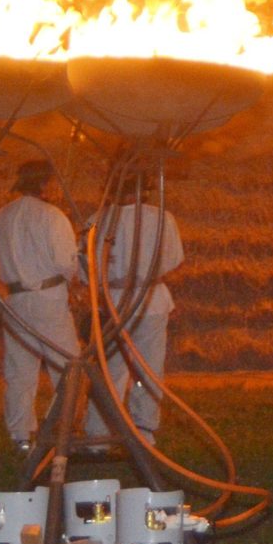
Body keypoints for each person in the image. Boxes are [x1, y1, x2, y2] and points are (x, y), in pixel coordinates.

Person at [0, 159, 81, 455]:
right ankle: (63, 427)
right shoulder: (53, 216)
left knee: (20, 369)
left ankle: (20, 435)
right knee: (67, 365)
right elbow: (65, 261)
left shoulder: (4, 215)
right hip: (48, 298)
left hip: (16, 299)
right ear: (44, 184)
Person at [94, 166, 183, 440]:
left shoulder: (100, 219)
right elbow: (175, 258)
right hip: (152, 299)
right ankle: (144, 429)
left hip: (115, 299)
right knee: (149, 365)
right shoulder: (162, 218)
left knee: (111, 366)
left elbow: (89, 264)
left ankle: (100, 430)